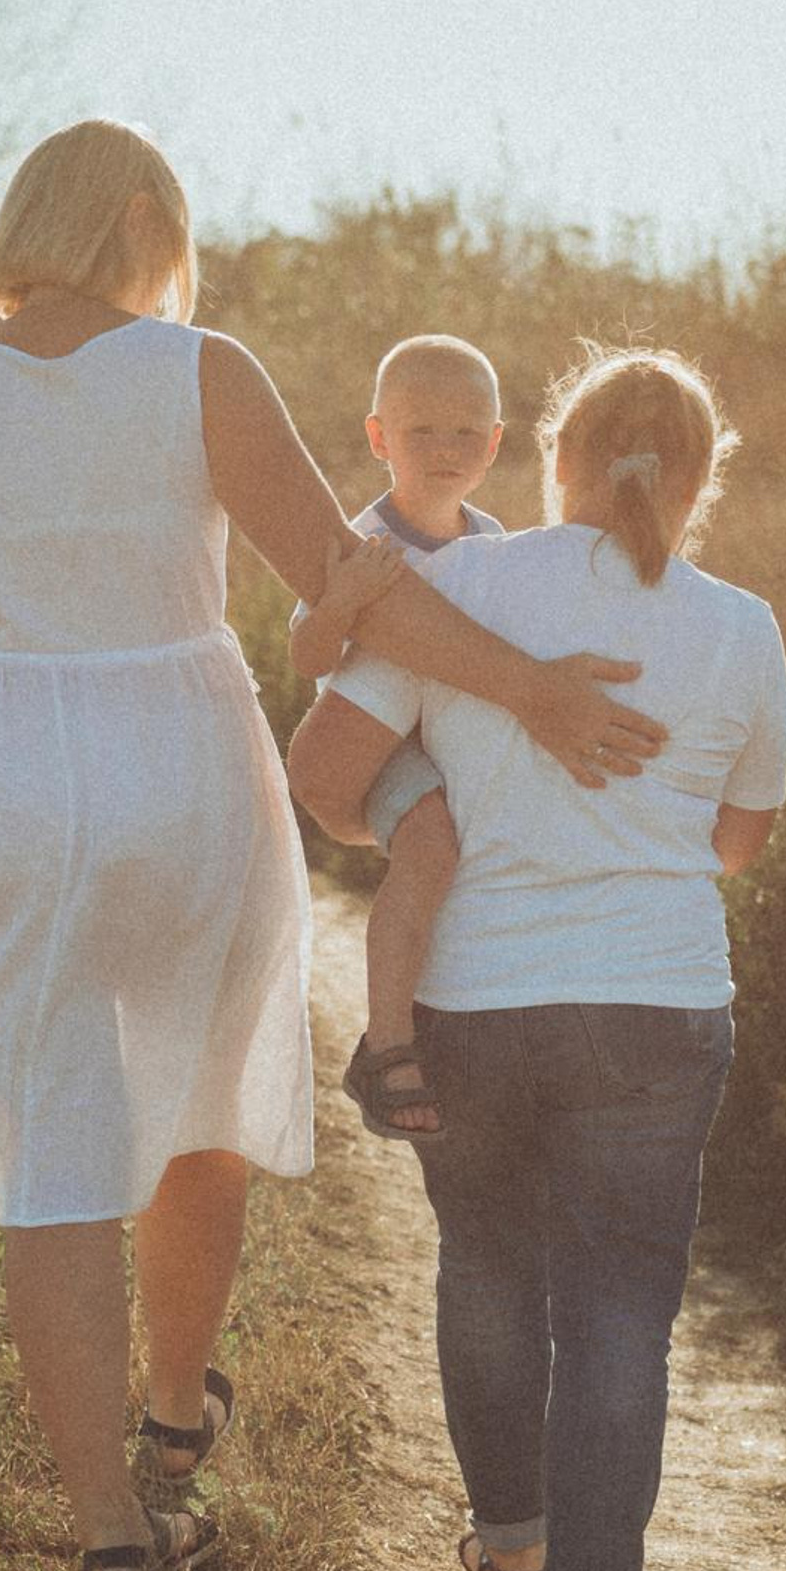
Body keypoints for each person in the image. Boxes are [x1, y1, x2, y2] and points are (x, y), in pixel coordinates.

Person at [0, 119, 667, 1571]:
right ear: (141, 219)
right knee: (198, 1112)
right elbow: (351, 585)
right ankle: (178, 1423)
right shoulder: (197, 370)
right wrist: (532, 690)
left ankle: (106, 1534)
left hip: (3, 763)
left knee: (48, 1150)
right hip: (184, 764)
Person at [287, 344, 786, 1571]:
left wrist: (446, 810)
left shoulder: (454, 587)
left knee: (491, 1268)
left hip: (476, 997)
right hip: (656, 1006)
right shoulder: (741, 628)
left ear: (547, 457)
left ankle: (511, 1554)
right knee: (622, 1311)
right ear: (699, 482)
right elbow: (737, 843)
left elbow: (325, 776)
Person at [287, 335, 507, 1139]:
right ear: (379, 438)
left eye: (466, 433)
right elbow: (305, 658)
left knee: (487, 849)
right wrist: (342, 601)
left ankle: (475, 1009)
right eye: (422, 432)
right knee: (430, 846)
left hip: (453, 733)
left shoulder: (493, 543)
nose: (446, 451)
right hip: (381, 746)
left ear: (495, 442)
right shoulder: (363, 540)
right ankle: (385, 1045)